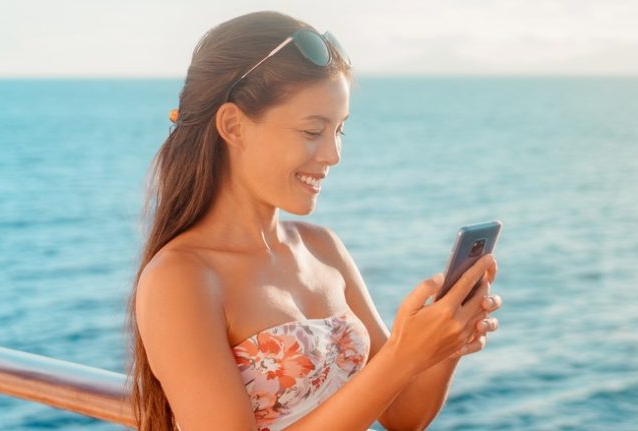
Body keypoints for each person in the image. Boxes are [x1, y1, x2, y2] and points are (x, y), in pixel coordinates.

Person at [124, 10, 502, 431]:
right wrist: (403, 356)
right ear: (233, 125)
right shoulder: (180, 279)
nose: (333, 155)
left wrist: (443, 345)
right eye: (312, 131)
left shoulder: (322, 248)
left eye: (339, 130)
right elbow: (393, 372)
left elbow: (404, 415)